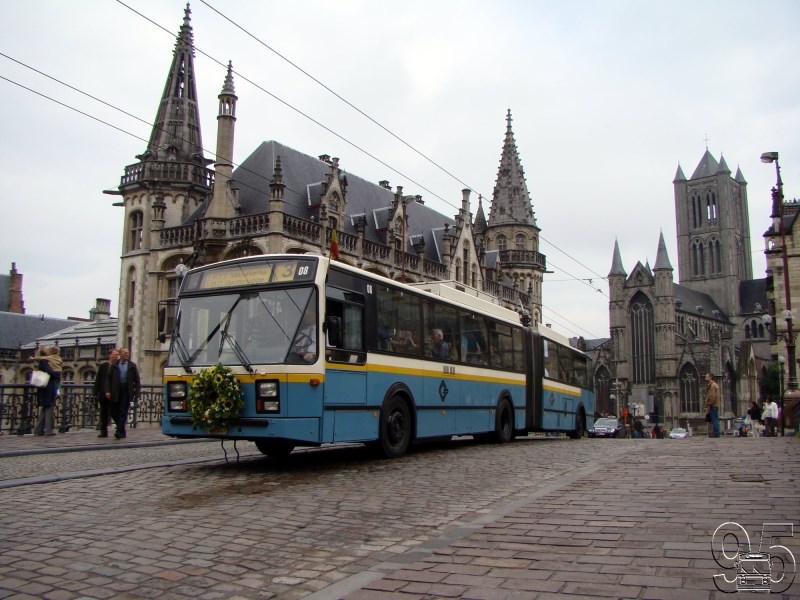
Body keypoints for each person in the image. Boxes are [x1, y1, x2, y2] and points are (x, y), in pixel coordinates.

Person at [107, 348, 141, 439]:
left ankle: (119, 431)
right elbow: (108, 379)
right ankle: (122, 430)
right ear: (120, 354)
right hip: (115, 390)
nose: (127, 354)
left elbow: (137, 380)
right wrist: (108, 391)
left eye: (128, 353)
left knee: (123, 411)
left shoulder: (132, 365)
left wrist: (137, 392)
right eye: (125, 353)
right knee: (113, 411)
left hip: (126, 390)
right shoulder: (114, 365)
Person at [32, 346, 61, 436]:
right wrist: (57, 374)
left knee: (45, 408)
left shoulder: (45, 361)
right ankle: (48, 430)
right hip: (48, 387)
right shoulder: (44, 362)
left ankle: (38, 430)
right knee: (48, 408)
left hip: (47, 387)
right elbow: (50, 372)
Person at [94, 348, 119, 438]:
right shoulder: (103, 366)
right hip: (103, 392)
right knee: (103, 413)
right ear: (110, 355)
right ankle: (103, 432)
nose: (117, 356)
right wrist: (95, 392)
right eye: (115, 354)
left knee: (114, 412)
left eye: (117, 355)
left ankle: (120, 428)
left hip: (113, 393)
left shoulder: (118, 366)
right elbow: (98, 379)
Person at [705, 372, 720, 437]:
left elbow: (713, 396)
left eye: (706, 377)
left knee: (714, 419)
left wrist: (710, 403)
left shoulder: (712, 385)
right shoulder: (713, 384)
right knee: (715, 418)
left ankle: (716, 433)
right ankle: (716, 432)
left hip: (713, 405)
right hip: (715, 404)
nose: (705, 378)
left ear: (710, 377)